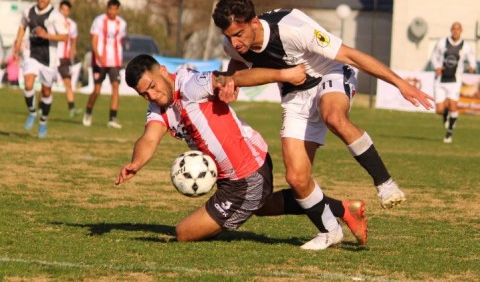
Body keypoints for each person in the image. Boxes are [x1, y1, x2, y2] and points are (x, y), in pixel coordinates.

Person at [211, 0, 434, 244]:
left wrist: (400, 84)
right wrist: (230, 83)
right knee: (297, 178)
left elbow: (351, 56)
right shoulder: (233, 45)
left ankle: (385, 184)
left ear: (252, 22)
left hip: (332, 72)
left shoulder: (292, 30)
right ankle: (331, 231)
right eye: (228, 36)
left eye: (238, 34)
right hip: (296, 94)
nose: (234, 42)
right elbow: (236, 66)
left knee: (333, 116)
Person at [116, 54, 367, 250]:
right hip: (232, 177)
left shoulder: (191, 84)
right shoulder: (158, 108)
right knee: (263, 205)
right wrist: (135, 163)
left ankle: (333, 224)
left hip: (247, 174)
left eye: (152, 86)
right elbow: (149, 138)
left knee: (184, 233)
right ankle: (344, 208)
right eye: (144, 93)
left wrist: (282, 75)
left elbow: (234, 78)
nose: (152, 94)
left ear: (162, 71)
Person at [13, 0, 68, 138]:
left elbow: (65, 36)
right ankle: (32, 112)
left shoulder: (55, 16)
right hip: (32, 54)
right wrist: (17, 43)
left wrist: (47, 35)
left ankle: (43, 121)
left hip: (49, 59)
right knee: (28, 82)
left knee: (46, 91)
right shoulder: (29, 10)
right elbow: (23, 26)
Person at [83, 0, 127, 128]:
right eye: (110, 9)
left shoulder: (122, 23)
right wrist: (97, 54)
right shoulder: (99, 20)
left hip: (115, 61)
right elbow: (94, 39)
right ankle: (88, 112)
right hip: (100, 60)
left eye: (115, 9)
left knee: (115, 87)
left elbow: (121, 40)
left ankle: (112, 118)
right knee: (97, 90)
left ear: (118, 9)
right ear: (107, 8)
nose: (112, 11)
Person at [429, 21, 477, 143]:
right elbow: (433, 56)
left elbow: (472, 60)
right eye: (454, 29)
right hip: (440, 80)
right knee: (439, 110)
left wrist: (471, 67)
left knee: (453, 105)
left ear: (461, 31)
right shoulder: (442, 43)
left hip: (455, 80)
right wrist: (437, 67)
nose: (456, 31)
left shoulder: (465, 46)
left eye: (458, 29)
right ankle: (445, 114)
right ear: (451, 30)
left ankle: (449, 133)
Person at [57, 0, 82, 118]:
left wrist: (73, 48)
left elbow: (74, 38)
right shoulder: (53, 21)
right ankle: (41, 108)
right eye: (63, 9)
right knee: (46, 84)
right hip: (52, 56)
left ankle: (72, 108)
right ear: (59, 9)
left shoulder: (72, 24)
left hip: (64, 58)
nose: (64, 12)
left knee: (68, 82)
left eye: (67, 10)